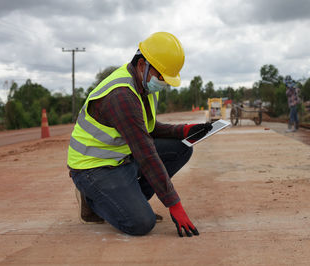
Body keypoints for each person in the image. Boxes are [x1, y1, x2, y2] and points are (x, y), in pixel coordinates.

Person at [67, 32, 212, 237]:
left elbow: (147, 129)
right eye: (162, 76)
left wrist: (185, 130)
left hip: (120, 158)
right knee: (141, 223)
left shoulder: (144, 85)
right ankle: (92, 201)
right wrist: (174, 205)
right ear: (142, 64)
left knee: (182, 147)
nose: (164, 83)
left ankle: (127, 201)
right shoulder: (121, 95)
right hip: (93, 168)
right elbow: (146, 153)